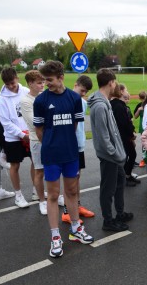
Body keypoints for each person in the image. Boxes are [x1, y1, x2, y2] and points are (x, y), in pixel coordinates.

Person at [33, 61, 94, 258]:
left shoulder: (74, 98)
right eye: (44, 80)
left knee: (72, 191)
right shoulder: (40, 101)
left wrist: (65, 143)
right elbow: (39, 130)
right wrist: (52, 144)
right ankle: (55, 236)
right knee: (52, 195)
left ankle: (76, 229)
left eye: (49, 80)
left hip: (70, 154)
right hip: (51, 156)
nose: (46, 84)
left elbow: (74, 126)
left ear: (61, 78)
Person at [88, 68, 133, 233]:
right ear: (110, 82)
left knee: (120, 182)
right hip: (109, 156)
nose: (117, 85)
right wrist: (115, 153)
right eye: (115, 82)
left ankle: (119, 213)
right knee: (108, 189)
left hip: (115, 156)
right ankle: (108, 221)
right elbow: (104, 137)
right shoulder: (100, 106)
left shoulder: (105, 102)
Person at [0, 67, 32, 208]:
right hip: (13, 138)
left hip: (29, 134)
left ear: (17, 78)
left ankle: (37, 191)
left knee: (36, 162)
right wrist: (22, 135)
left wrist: (30, 132)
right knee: (15, 165)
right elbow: (5, 122)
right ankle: (18, 196)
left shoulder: (25, 91)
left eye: (13, 82)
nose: (11, 86)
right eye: (7, 84)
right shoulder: (2, 99)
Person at [64, 75, 96, 222]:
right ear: (75, 84)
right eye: (82, 90)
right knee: (69, 180)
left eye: (85, 92)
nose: (83, 94)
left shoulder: (82, 103)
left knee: (77, 178)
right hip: (69, 146)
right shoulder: (66, 100)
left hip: (80, 144)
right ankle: (66, 212)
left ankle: (77, 206)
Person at [20, 70, 47, 215]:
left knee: (53, 169)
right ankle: (42, 201)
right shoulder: (25, 101)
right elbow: (35, 122)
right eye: (39, 82)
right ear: (30, 84)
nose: (42, 85)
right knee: (39, 171)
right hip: (36, 140)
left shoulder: (44, 96)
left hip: (49, 138)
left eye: (43, 82)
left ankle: (52, 195)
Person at [110, 83, 141, 187]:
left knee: (129, 155)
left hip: (121, 135)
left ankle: (127, 175)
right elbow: (125, 123)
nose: (127, 92)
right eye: (126, 90)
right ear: (121, 91)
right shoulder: (119, 106)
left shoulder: (116, 104)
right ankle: (125, 177)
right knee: (130, 155)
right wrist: (131, 134)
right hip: (123, 136)